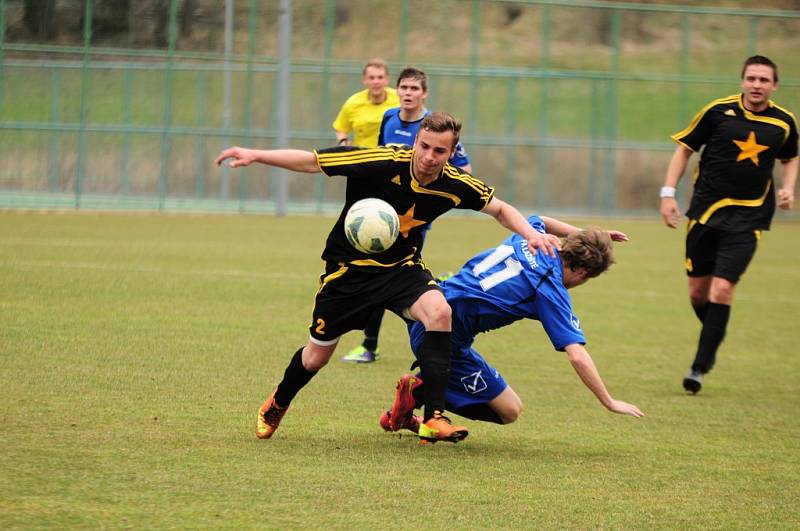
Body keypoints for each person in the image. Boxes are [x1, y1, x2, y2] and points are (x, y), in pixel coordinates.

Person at [215, 112, 562, 444]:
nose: (428, 156)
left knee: (440, 313)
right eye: (423, 146)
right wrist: (256, 155)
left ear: (452, 153)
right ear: (416, 142)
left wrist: (530, 235)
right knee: (315, 357)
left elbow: (499, 208)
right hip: (348, 274)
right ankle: (278, 402)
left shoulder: (454, 184)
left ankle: (434, 417)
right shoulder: (381, 161)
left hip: (401, 270)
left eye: (439, 150)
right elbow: (312, 161)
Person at [379, 215, 644, 438]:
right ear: (584, 273)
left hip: (429, 305)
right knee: (509, 411)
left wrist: (583, 236)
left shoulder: (530, 238)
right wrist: (608, 401)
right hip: (441, 339)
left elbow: (539, 219)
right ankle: (419, 392)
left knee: (503, 401)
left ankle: (414, 403)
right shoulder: (550, 289)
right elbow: (577, 355)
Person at [660, 55, 798, 394]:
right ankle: (715, 332)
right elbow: (684, 150)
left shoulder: (784, 122)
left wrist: (788, 189)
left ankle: (699, 366)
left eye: (764, 80)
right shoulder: (717, 112)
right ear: (742, 81)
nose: (756, 85)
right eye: (751, 78)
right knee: (698, 293)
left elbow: (790, 157)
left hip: (749, 217)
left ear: (774, 86)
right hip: (706, 213)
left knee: (722, 289)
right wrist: (667, 193)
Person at [342, 66, 472, 364]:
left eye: (415, 89)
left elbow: (465, 170)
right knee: (377, 275)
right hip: (380, 213)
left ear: (424, 94)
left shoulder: (434, 130)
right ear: (396, 90)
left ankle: (385, 343)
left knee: (386, 278)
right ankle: (372, 345)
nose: (408, 94)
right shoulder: (388, 117)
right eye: (404, 88)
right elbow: (378, 158)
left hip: (411, 220)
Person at [332, 58, 399, 148]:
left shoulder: (400, 99)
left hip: (392, 157)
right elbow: (341, 129)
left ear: (387, 80)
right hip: (363, 157)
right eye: (371, 78)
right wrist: (343, 143)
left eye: (380, 77)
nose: (376, 82)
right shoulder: (353, 102)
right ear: (364, 80)